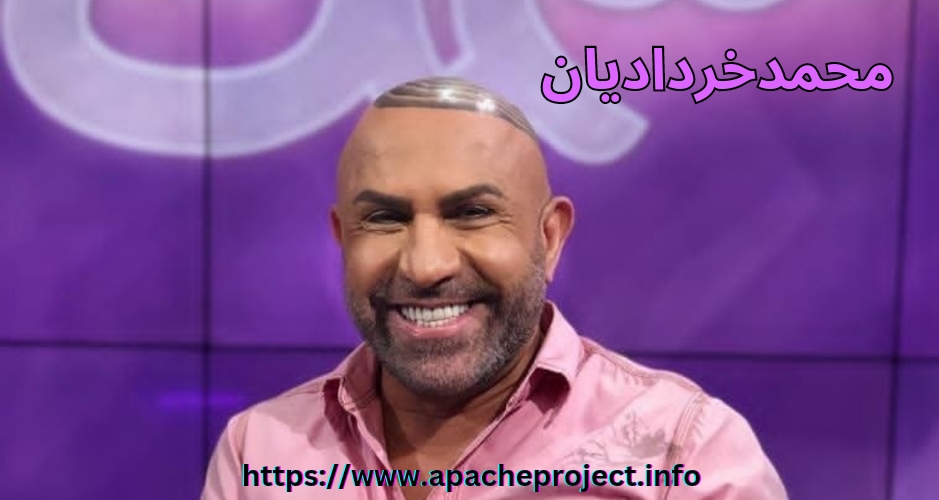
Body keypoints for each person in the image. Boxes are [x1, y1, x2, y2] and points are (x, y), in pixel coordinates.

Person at [201, 77, 788, 500]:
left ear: (549, 237)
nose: (425, 265)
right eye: (384, 219)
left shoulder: (683, 451)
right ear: (342, 239)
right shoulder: (260, 452)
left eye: (472, 213)